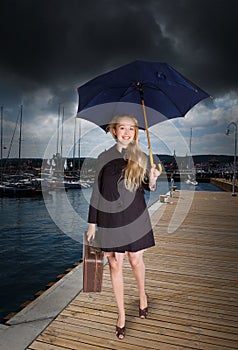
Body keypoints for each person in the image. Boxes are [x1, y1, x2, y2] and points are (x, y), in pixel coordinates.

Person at [86, 115, 160, 340]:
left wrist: (153, 178)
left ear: (136, 132)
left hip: (135, 217)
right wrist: (92, 223)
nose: (127, 132)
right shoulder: (103, 157)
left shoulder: (140, 156)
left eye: (131, 128)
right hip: (110, 220)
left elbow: (148, 187)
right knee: (115, 265)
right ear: (114, 130)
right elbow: (97, 192)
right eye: (122, 128)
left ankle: (142, 296)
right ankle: (121, 315)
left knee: (135, 260)